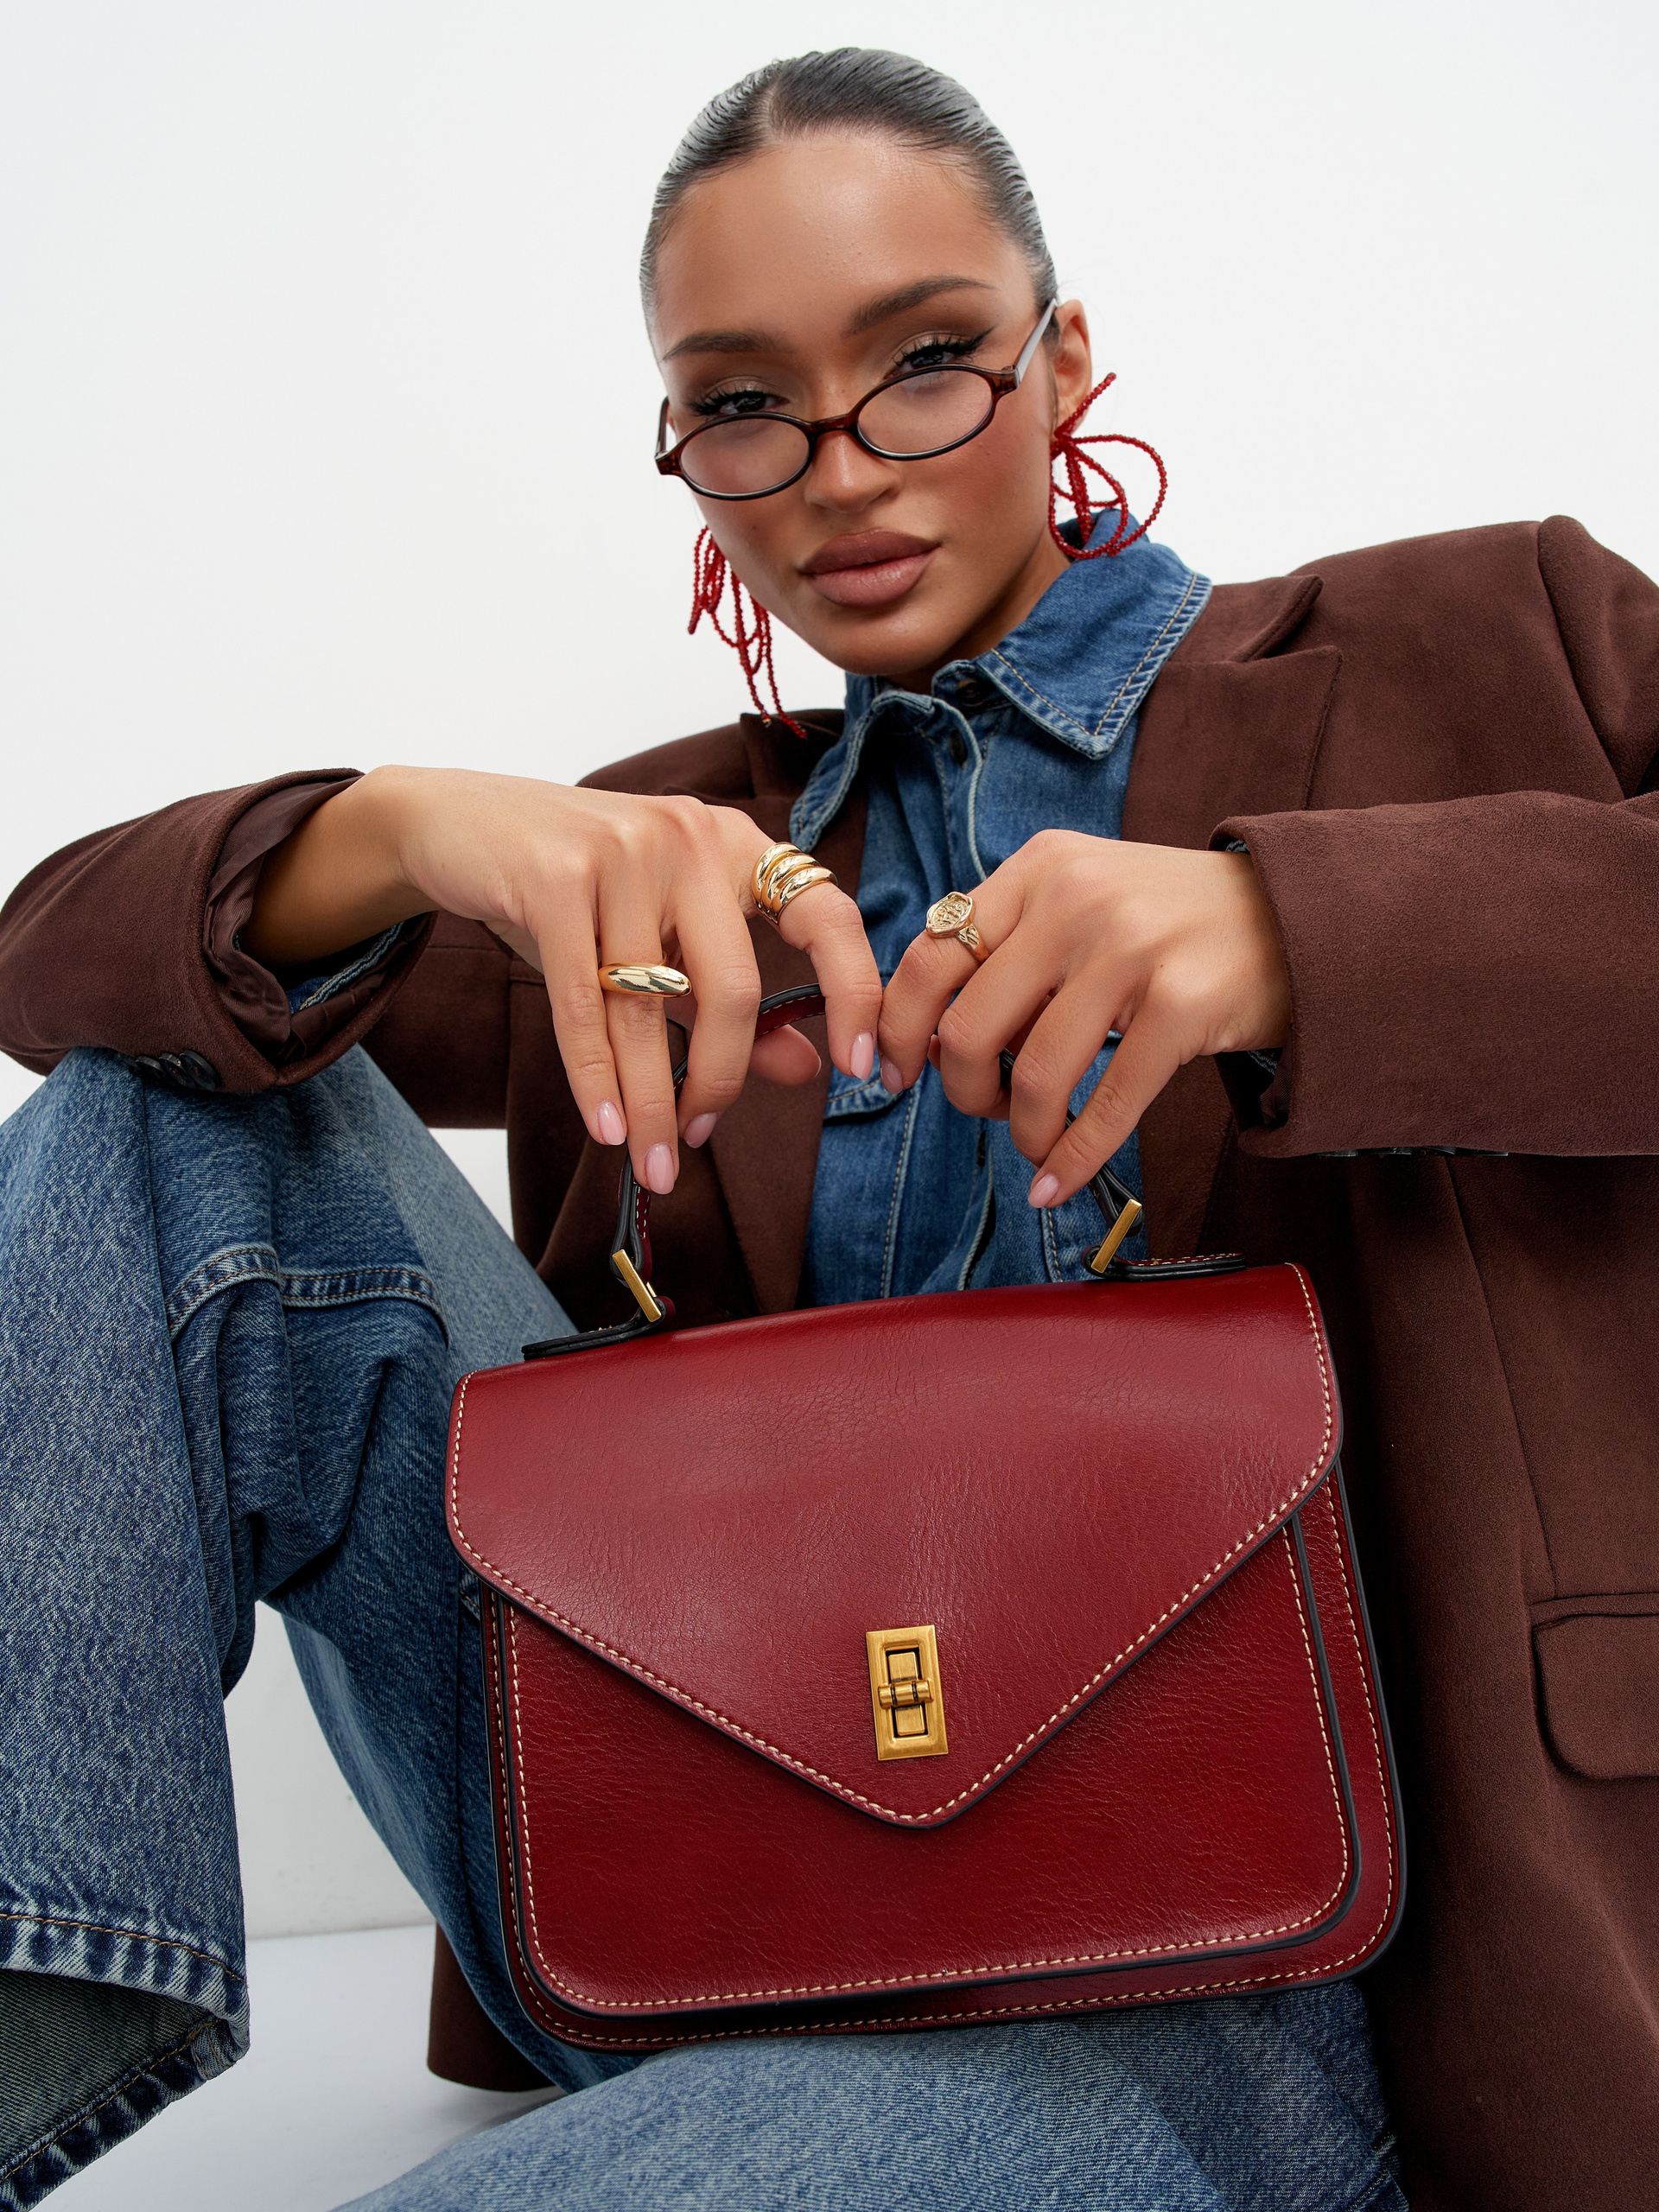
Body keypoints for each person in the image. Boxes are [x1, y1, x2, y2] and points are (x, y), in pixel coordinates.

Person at [1, 42, 1656, 2212]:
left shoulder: (1482, 641)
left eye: (928, 361)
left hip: (1270, 1950)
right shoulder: (668, 850)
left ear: (1067, 359)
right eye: (743, 402)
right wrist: (401, 826)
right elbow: (57, 975)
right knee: (164, 1127)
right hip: (693, 1861)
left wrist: (1289, 930)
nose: (840, 467)